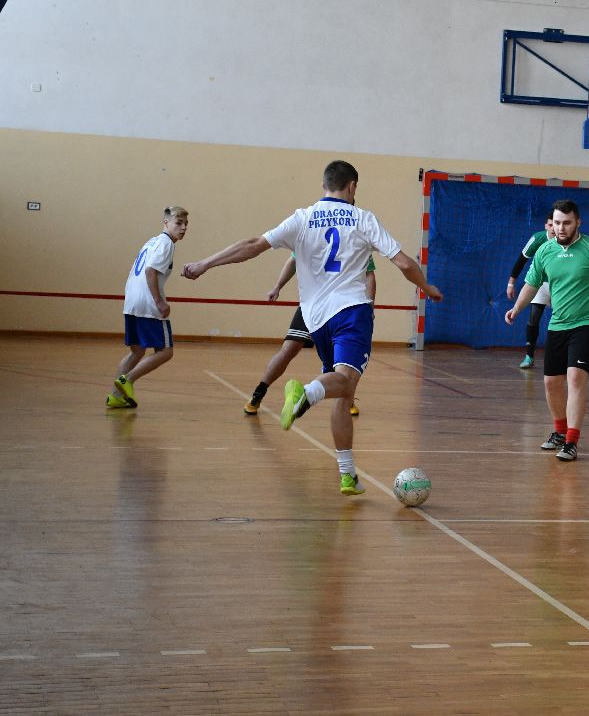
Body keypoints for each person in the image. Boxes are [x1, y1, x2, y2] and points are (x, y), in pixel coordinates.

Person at [182, 160, 443, 495]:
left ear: (324, 186)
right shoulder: (363, 218)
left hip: (316, 319)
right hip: (351, 311)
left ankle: (347, 474)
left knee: (343, 390)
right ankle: (305, 394)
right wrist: (427, 287)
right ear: (352, 186)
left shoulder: (302, 218)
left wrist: (205, 263)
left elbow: (253, 245)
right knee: (344, 381)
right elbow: (404, 263)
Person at [505, 200, 589, 461]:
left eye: (567, 223)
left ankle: (571, 441)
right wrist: (516, 309)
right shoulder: (544, 251)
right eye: (557, 223)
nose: (561, 228)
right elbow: (531, 284)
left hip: (588, 323)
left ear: (578, 222)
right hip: (558, 324)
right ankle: (559, 432)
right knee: (551, 383)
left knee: (575, 377)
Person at [243, 254, 376, 417]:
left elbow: (369, 274)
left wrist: (369, 305)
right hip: (314, 305)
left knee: (342, 361)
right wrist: (277, 286)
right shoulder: (311, 238)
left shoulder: (358, 242)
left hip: (343, 307)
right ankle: (258, 394)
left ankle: (346, 398)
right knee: (288, 349)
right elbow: (293, 260)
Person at [506, 217, 589, 369]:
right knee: (534, 317)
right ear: (546, 226)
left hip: (565, 285)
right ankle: (529, 355)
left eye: (561, 223)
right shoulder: (538, 241)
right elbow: (521, 260)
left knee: (571, 321)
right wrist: (511, 284)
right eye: (552, 224)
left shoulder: (579, 243)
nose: (556, 228)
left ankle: (572, 355)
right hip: (542, 284)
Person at [107, 206, 190, 409]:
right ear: (166, 223)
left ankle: (116, 396)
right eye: (179, 223)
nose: (183, 228)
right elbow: (150, 271)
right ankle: (127, 380)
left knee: (136, 351)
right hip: (148, 304)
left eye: (186, 224)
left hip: (132, 302)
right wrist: (159, 301)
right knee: (165, 351)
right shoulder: (166, 243)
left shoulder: (151, 241)